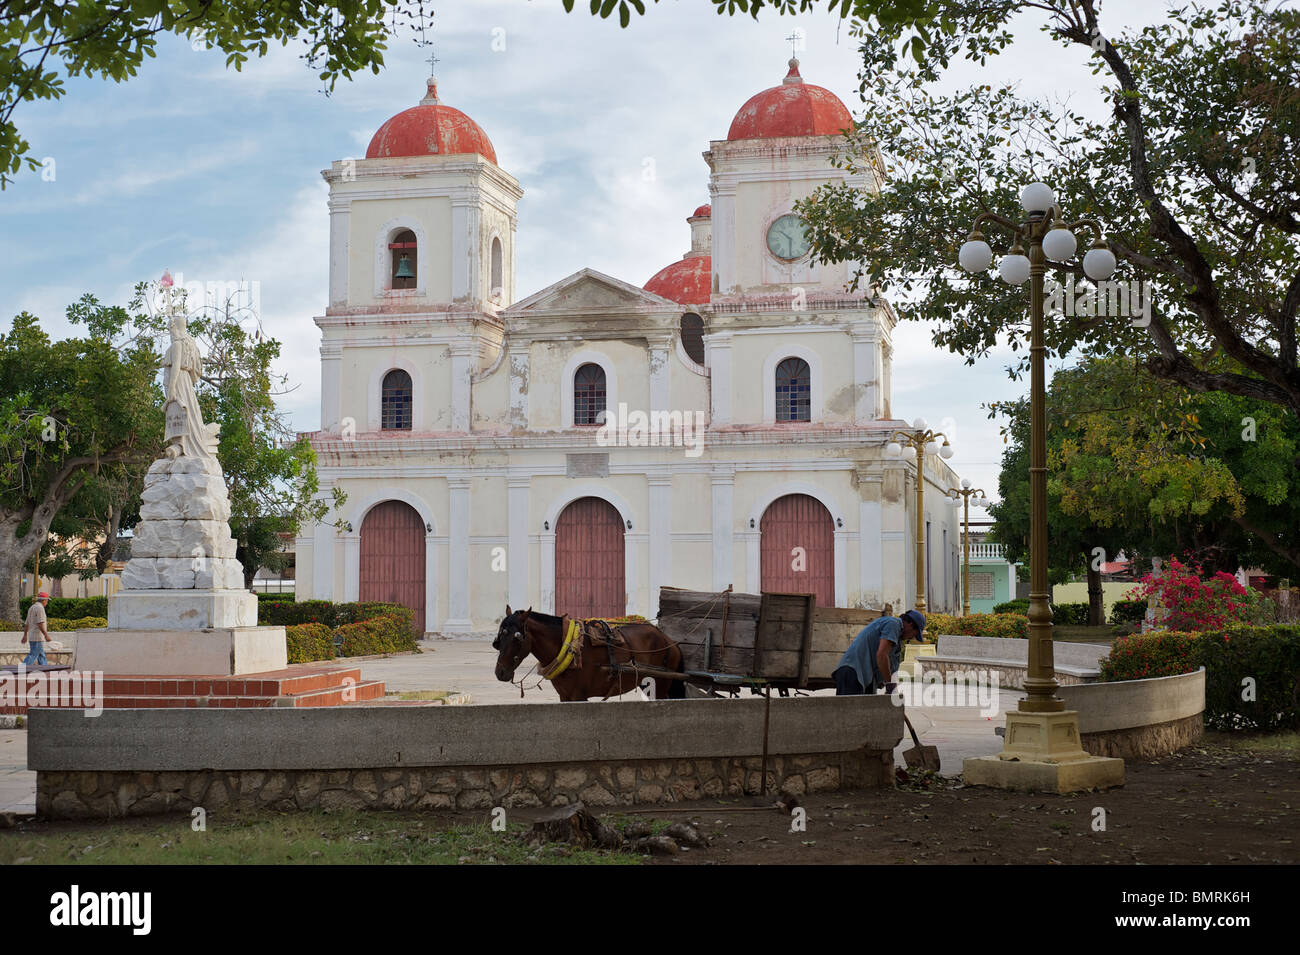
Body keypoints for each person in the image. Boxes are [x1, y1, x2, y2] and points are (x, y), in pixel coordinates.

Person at [832, 609, 925, 695]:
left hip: (867, 678)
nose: (912, 637)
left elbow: (892, 666)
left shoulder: (897, 639)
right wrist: (889, 684)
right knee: (848, 711)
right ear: (910, 624)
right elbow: (881, 655)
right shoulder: (893, 624)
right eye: (915, 634)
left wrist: (890, 685)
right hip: (852, 672)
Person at [20, 591, 51, 667]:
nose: (47, 603)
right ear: (44, 600)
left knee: (41, 655)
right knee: (33, 654)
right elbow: (40, 623)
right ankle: (22, 669)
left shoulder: (32, 607)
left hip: (32, 636)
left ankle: (44, 668)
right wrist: (46, 635)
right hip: (38, 636)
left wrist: (25, 635)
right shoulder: (40, 608)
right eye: (47, 601)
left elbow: (26, 623)